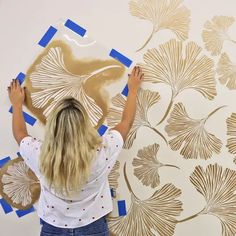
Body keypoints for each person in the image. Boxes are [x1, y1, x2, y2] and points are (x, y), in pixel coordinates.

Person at [7, 66, 143, 236]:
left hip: (53, 228)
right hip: (94, 227)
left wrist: (17, 104)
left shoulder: (40, 154)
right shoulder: (102, 151)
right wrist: (133, 90)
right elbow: (126, 123)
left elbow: (19, 134)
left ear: (53, 128)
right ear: (85, 125)